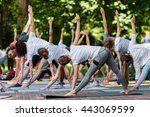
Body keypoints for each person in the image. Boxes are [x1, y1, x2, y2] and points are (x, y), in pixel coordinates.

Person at [57, 14, 128, 96]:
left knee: (88, 75)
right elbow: (77, 34)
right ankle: (125, 89)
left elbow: (75, 76)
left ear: (67, 63)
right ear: (65, 55)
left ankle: (74, 92)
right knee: (116, 70)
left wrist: (72, 89)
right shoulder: (73, 47)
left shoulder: (75, 61)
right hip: (105, 50)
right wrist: (78, 21)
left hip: (99, 54)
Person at [128, 16, 150, 91]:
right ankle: (136, 86)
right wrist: (132, 23)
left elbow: (138, 75)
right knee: (145, 69)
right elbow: (133, 34)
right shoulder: (130, 47)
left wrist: (136, 85)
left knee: (145, 69)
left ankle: (136, 86)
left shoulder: (135, 63)